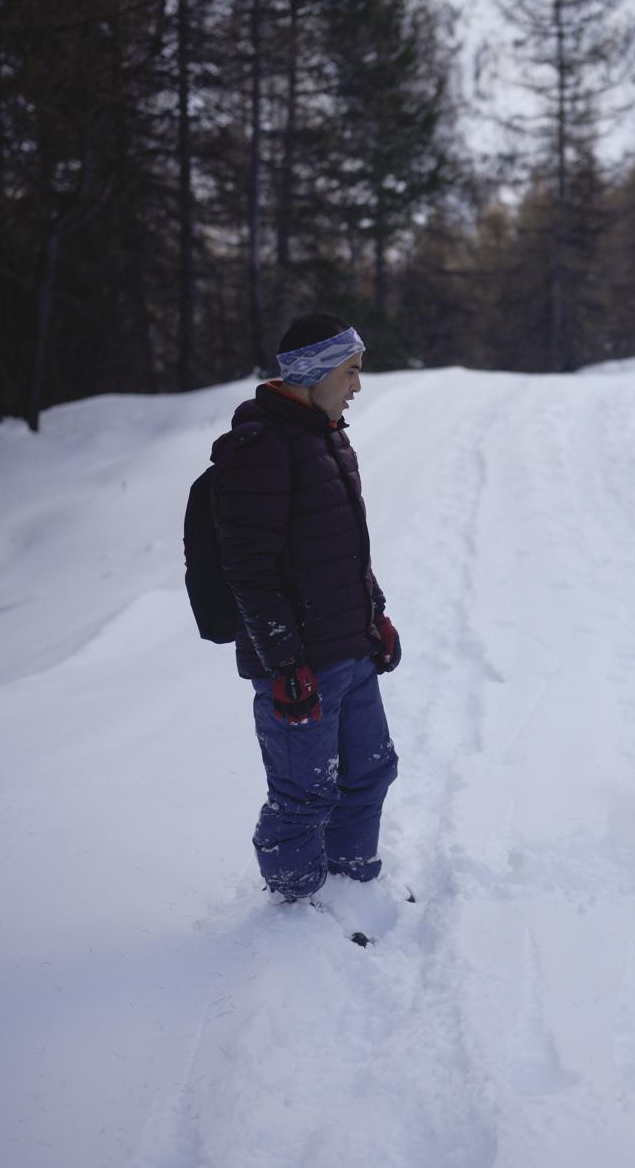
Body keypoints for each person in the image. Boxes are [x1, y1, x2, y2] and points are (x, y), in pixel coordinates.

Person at [209, 314, 402, 903]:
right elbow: (249, 572)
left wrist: (376, 616)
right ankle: (295, 906)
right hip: (300, 667)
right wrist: (285, 665)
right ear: (313, 373)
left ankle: (352, 885)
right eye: (350, 372)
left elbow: (347, 549)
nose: (357, 386)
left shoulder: (329, 438)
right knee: (304, 793)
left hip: (350, 647)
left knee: (370, 770)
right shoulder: (260, 450)